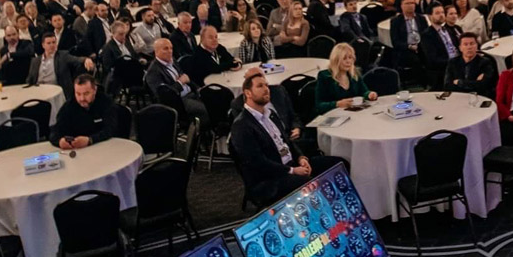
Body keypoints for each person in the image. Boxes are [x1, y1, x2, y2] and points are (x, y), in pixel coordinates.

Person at [232, 69, 340, 207]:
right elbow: (258, 163)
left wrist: (301, 158)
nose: (266, 89)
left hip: (291, 164)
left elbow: (287, 142)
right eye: (260, 86)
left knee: (339, 165)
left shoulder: (270, 114)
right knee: (314, 185)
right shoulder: (242, 125)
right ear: (247, 93)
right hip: (270, 179)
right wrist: (292, 171)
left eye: (266, 85)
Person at [144, 38, 209, 128]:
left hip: (191, 93)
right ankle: (202, 136)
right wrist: (180, 82)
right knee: (205, 109)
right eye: (166, 48)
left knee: (214, 99)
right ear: (156, 51)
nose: (170, 51)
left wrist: (198, 88)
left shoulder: (172, 61)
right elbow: (165, 96)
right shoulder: (153, 71)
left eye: (171, 48)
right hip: (180, 101)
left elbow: (186, 78)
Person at [51, 72, 118, 149]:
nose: (82, 98)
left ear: (94, 90)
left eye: (86, 94)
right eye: (78, 94)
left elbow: (111, 129)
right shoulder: (69, 106)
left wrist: (90, 140)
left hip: (103, 147)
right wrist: (59, 141)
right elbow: (55, 131)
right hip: (78, 150)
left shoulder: (106, 102)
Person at [314, 42, 368, 110]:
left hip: (353, 113)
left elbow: (364, 92)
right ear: (336, 60)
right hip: (333, 116)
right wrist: (337, 104)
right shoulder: (324, 76)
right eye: (344, 58)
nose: (348, 61)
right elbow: (319, 105)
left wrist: (369, 95)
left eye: (350, 58)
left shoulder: (354, 73)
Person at [420, 3, 462, 77]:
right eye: (437, 13)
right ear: (430, 16)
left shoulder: (449, 29)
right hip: (444, 68)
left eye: (442, 12)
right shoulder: (427, 35)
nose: (441, 15)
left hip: (458, 61)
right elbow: (433, 59)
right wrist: (454, 62)